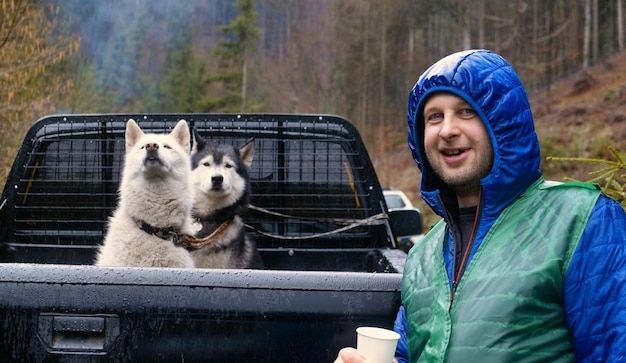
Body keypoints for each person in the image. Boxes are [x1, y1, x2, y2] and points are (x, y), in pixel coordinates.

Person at [335, 49, 626, 362]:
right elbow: (410, 354)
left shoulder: (581, 220)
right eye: (434, 116)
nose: (447, 130)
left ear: (502, 124)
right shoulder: (423, 256)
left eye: (466, 111)